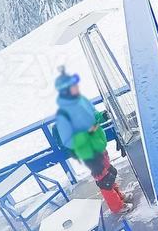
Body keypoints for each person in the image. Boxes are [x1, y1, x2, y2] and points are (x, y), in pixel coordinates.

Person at [54, 67, 133, 213]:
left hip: (98, 144)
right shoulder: (63, 115)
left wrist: (101, 116)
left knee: (109, 173)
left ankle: (119, 196)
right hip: (88, 152)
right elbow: (68, 141)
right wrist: (87, 133)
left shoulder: (81, 100)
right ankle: (117, 206)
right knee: (104, 180)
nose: (76, 87)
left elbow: (93, 115)